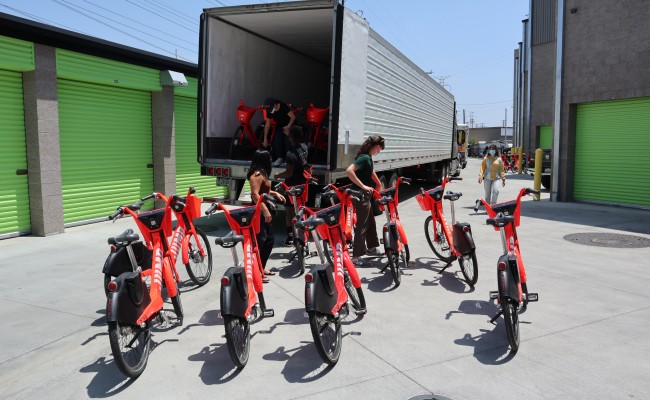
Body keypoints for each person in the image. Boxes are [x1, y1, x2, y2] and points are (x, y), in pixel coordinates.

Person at [345, 135, 385, 265]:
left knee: (370, 220)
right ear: (377, 146)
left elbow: (369, 170)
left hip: (365, 194)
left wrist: (378, 183)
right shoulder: (364, 157)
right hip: (360, 194)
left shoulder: (367, 158)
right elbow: (349, 171)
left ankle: (372, 247)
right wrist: (362, 186)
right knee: (362, 224)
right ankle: (356, 256)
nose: (378, 152)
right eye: (379, 150)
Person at [247, 149, 286, 282]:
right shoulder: (256, 175)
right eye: (269, 157)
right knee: (261, 240)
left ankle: (261, 268)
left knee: (269, 240)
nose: (271, 159)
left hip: (263, 209)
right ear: (263, 159)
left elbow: (265, 191)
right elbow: (255, 194)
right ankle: (255, 271)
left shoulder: (262, 173)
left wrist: (275, 194)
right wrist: (265, 210)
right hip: (259, 211)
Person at [273, 126, 309, 246]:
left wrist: (278, 176)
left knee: (289, 212)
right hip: (303, 185)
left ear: (292, 136)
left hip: (291, 186)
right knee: (301, 210)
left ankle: (290, 237)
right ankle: (303, 236)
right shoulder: (304, 147)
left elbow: (289, 172)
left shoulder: (290, 153)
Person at [263, 98, 296, 166]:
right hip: (280, 125)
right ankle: (280, 157)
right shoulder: (270, 111)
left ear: (275, 105)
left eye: (272, 108)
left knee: (287, 140)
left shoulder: (283, 106)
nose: (271, 110)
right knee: (277, 139)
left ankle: (289, 159)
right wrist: (265, 138)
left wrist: (288, 127)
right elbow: (267, 124)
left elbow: (293, 117)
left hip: (289, 124)